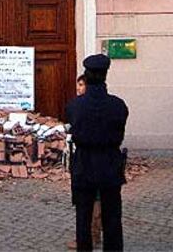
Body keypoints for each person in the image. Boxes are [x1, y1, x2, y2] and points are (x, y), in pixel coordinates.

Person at [66, 54, 129, 252]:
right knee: (112, 219)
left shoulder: (75, 106)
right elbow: (120, 132)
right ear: (105, 75)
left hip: (84, 164)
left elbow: (73, 129)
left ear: (87, 76)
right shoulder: (118, 105)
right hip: (110, 163)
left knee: (83, 220)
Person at [68, 73, 102, 251]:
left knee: (91, 199)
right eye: (78, 84)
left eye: (81, 85)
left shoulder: (82, 107)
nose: (78, 88)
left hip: (89, 159)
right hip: (84, 159)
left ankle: (92, 235)